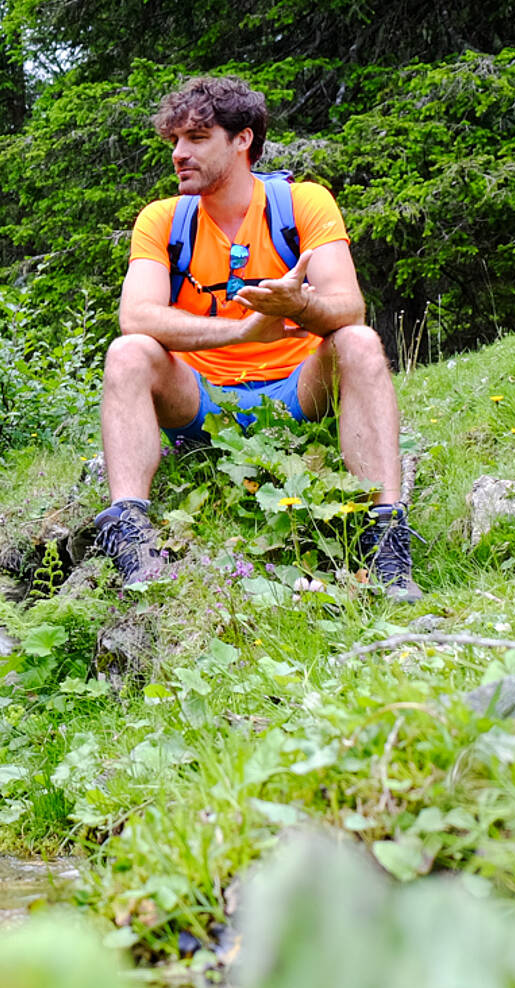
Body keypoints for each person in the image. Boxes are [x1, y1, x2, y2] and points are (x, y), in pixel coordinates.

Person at [94, 76, 423, 602]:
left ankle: (385, 539)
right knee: (127, 352)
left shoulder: (303, 204)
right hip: (200, 401)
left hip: (297, 390)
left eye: (197, 138)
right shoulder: (162, 220)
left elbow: (349, 307)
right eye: (174, 140)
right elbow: (136, 316)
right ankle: (133, 538)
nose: (179, 153)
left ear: (242, 140)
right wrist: (241, 329)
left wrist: (297, 305)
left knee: (359, 342)